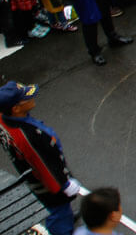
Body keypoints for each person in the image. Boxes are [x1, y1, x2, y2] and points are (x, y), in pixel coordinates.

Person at [0, 81, 81, 235]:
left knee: (60, 209)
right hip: (47, 183)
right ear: (16, 109)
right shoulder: (27, 136)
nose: (32, 97)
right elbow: (44, 166)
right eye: (25, 98)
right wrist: (63, 185)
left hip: (29, 170)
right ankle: (62, 229)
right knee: (58, 209)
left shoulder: (3, 118)